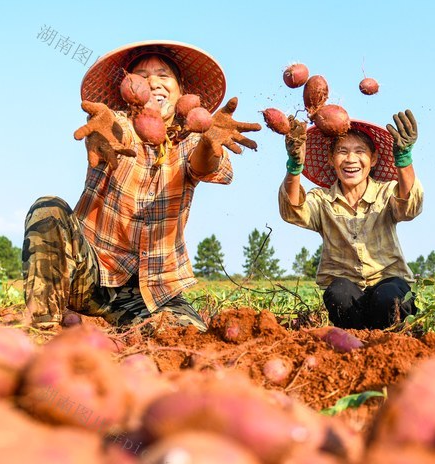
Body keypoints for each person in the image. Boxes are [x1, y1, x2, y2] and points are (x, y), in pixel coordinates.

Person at [22, 40, 260, 331]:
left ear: (181, 90)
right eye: (143, 77)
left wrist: (210, 142)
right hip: (90, 276)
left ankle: (116, 322)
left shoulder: (192, 142)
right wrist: (106, 130)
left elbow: (204, 165)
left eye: (163, 75)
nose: (153, 83)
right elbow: (115, 133)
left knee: (187, 335)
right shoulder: (119, 126)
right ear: (129, 89)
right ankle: (41, 325)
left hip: (151, 293)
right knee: (48, 209)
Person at [278, 110, 422, 330]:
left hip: (389, 281)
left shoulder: (386, 193)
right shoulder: (322, 200)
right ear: (331, 159)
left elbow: (410, 207)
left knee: (388, 297)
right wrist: (295, 167)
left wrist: (403, 159)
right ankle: (354, 344)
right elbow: (293, 210)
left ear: (373, 159)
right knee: (339, 293)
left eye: (360, 151)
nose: (351, 159)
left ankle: (393, 340)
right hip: (347, 292)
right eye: (342, 151)